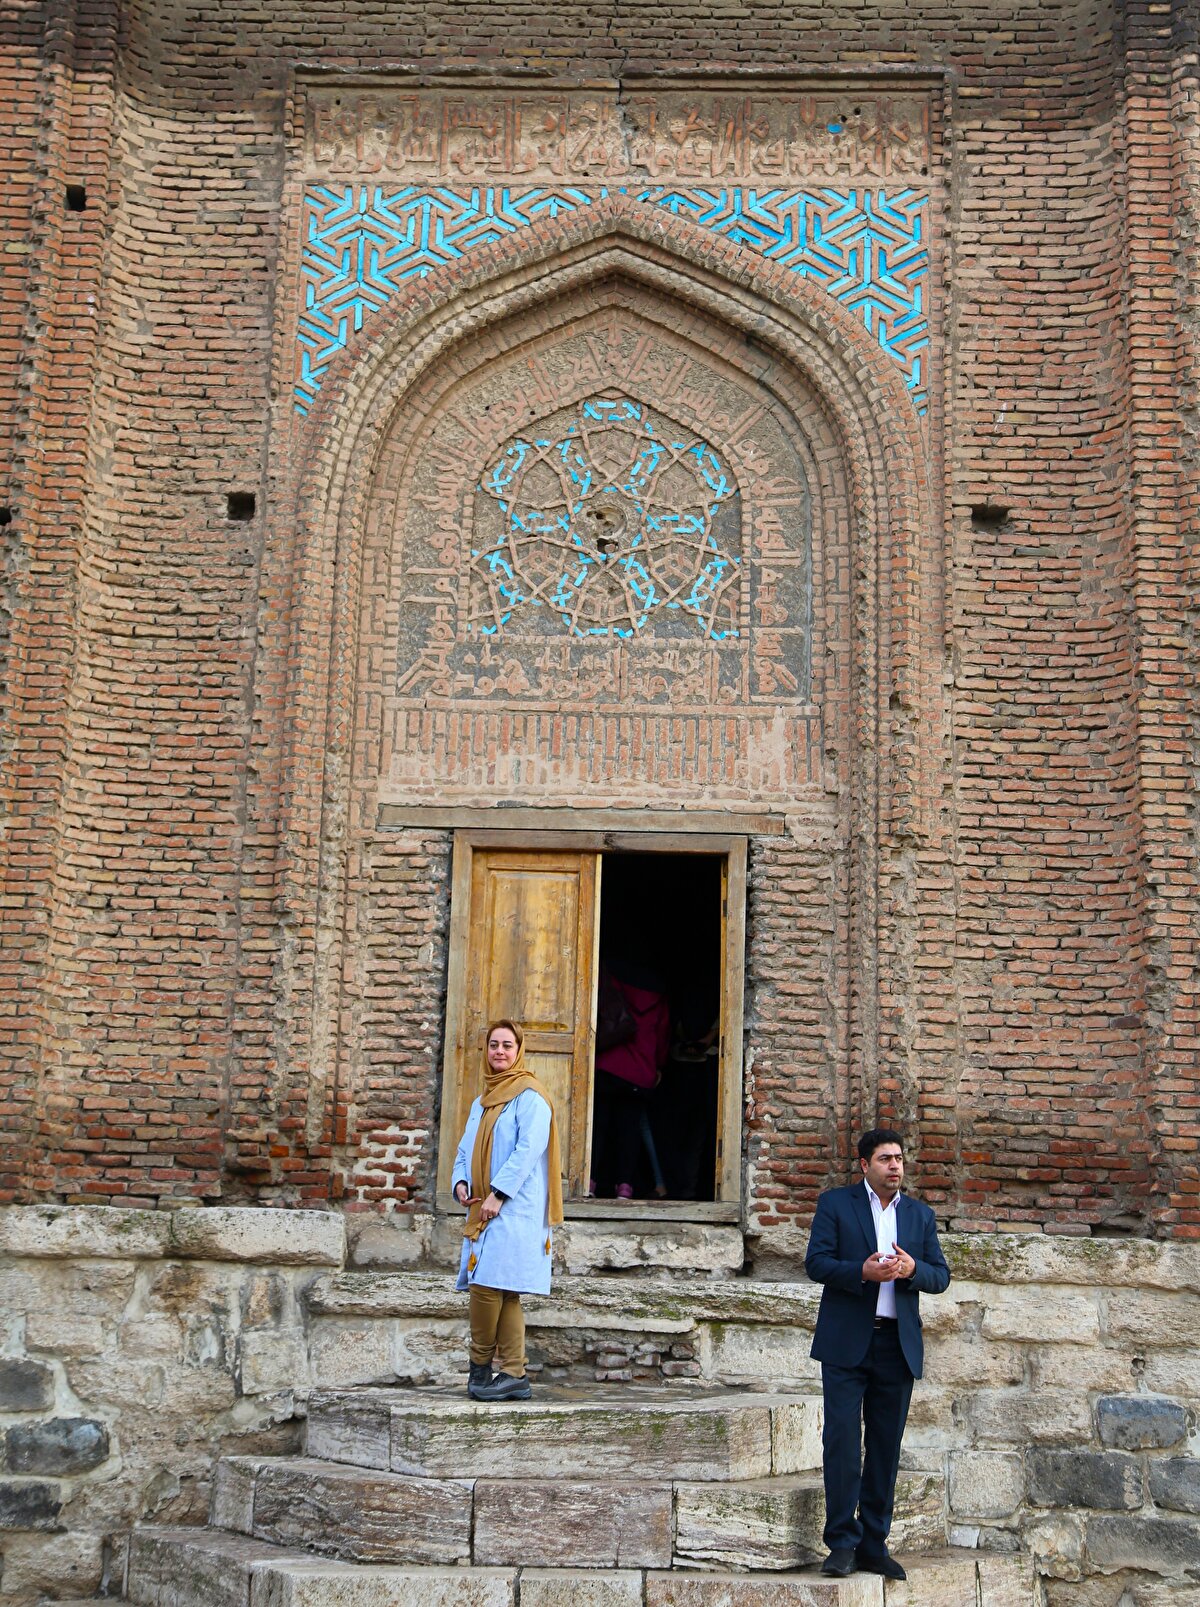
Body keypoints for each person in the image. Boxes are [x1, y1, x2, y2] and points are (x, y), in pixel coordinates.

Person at [804, 1128, 951, 1581]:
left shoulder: (920, 1216)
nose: (895, 1166)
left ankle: (873, 1544)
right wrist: (862, 1272)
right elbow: (816, 1263)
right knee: (842, 1444)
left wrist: (913, 1269)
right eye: (886, 1159)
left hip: (895, 1344)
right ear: (865, 1165)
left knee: (885, 1447)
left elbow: (941, 1275)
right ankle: (841, 1544)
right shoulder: (835, 1205)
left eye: (899, 1159)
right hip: (846, 1342)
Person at [451, 1019, 563, 1402]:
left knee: (486, 1286)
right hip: (482, 1206)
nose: (499, 1051)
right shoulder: (481, 1102)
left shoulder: (531, 1097)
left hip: (514, 1209)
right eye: (493, 1044)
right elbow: (465, 1150)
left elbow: (528, 1150)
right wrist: (461, 1182)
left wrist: (498, 1194)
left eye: (507, 1045)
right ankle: (514, 1373)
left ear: (519, 1050)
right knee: (504, 1291)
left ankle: (480, 1366)